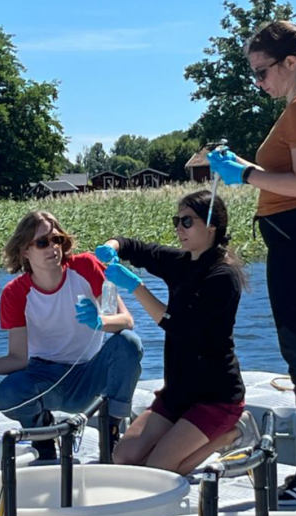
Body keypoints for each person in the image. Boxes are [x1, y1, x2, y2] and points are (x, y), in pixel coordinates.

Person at [208, 19, 296, 507]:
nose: (258, 82)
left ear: (291, 63)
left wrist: (243, 173)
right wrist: (245, 165)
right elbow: (289, 173)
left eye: (262, 72)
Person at [0, 210, 142, 459]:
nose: (53, 247)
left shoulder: (86, 267)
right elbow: (19, 359)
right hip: (45, 377)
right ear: (24, 251)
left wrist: (100, 322)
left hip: (90, 373)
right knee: (8, 394)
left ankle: (111, 432)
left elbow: (125, 321)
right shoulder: (15, 294)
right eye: (42, 242)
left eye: (57, 239)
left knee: (128, 343)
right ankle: (43, 437)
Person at [99, 190, 253, 474]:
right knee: (123, 457)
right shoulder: (181, 262)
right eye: (176, 220)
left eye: (186, 221)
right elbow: (134, 247)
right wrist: (112, 246)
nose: (178, 228)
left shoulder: (223, 276)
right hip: (178, 393)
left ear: (211, 225)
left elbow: (180, 325)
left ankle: (232, 433)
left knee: (161, 470)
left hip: (216, 397)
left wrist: (136, 287)